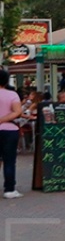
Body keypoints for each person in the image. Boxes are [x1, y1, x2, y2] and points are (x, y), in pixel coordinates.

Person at [0, 69, 22, 199]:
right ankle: (9, 189)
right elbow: (17, 111)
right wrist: (3, 119)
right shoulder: (12, 95)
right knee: (9, 161)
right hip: (9, 130)